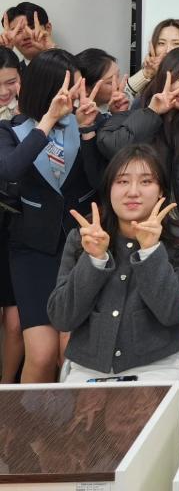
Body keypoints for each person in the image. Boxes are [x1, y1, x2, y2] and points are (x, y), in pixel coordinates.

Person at [47, 144, 179, 383]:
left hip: (156, 368)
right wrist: (94, 260)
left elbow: (172, 312)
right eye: (122, 181)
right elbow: (62, 318)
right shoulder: (84, 238)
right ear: (109, 189)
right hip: (87, 369)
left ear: (161, 191)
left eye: (146, 181)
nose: (133, 192)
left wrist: (151, 251)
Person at [0, 50, 104, 382]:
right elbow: (10, 169)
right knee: (42, 355)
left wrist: (88, 132)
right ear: (48, 90)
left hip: (81, 248)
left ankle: (69, 417)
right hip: (33, 251)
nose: (76, 95)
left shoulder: (88, 120)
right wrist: (47, 122)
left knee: (69, 353)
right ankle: (28, 417)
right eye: (71, 88)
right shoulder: (9, 130)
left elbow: (100, 181)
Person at [98, 47, 179, 300]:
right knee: (140, 308)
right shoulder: (138, 110)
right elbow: (112, 148)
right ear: (165, 74)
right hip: (137, 228)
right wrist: (152, 113)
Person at [0, 48, 22, 381]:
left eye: (11, 81)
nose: (5, 91)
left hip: (18, 228)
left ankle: (6, 391)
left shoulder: (31, 113)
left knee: (16, 320)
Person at [74, 48, 131, 117]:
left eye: (118, 76)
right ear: (85, 89)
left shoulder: (104, 111)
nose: (120, 84)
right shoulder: (79, 119)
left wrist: (117, 114)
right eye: (110, 82)